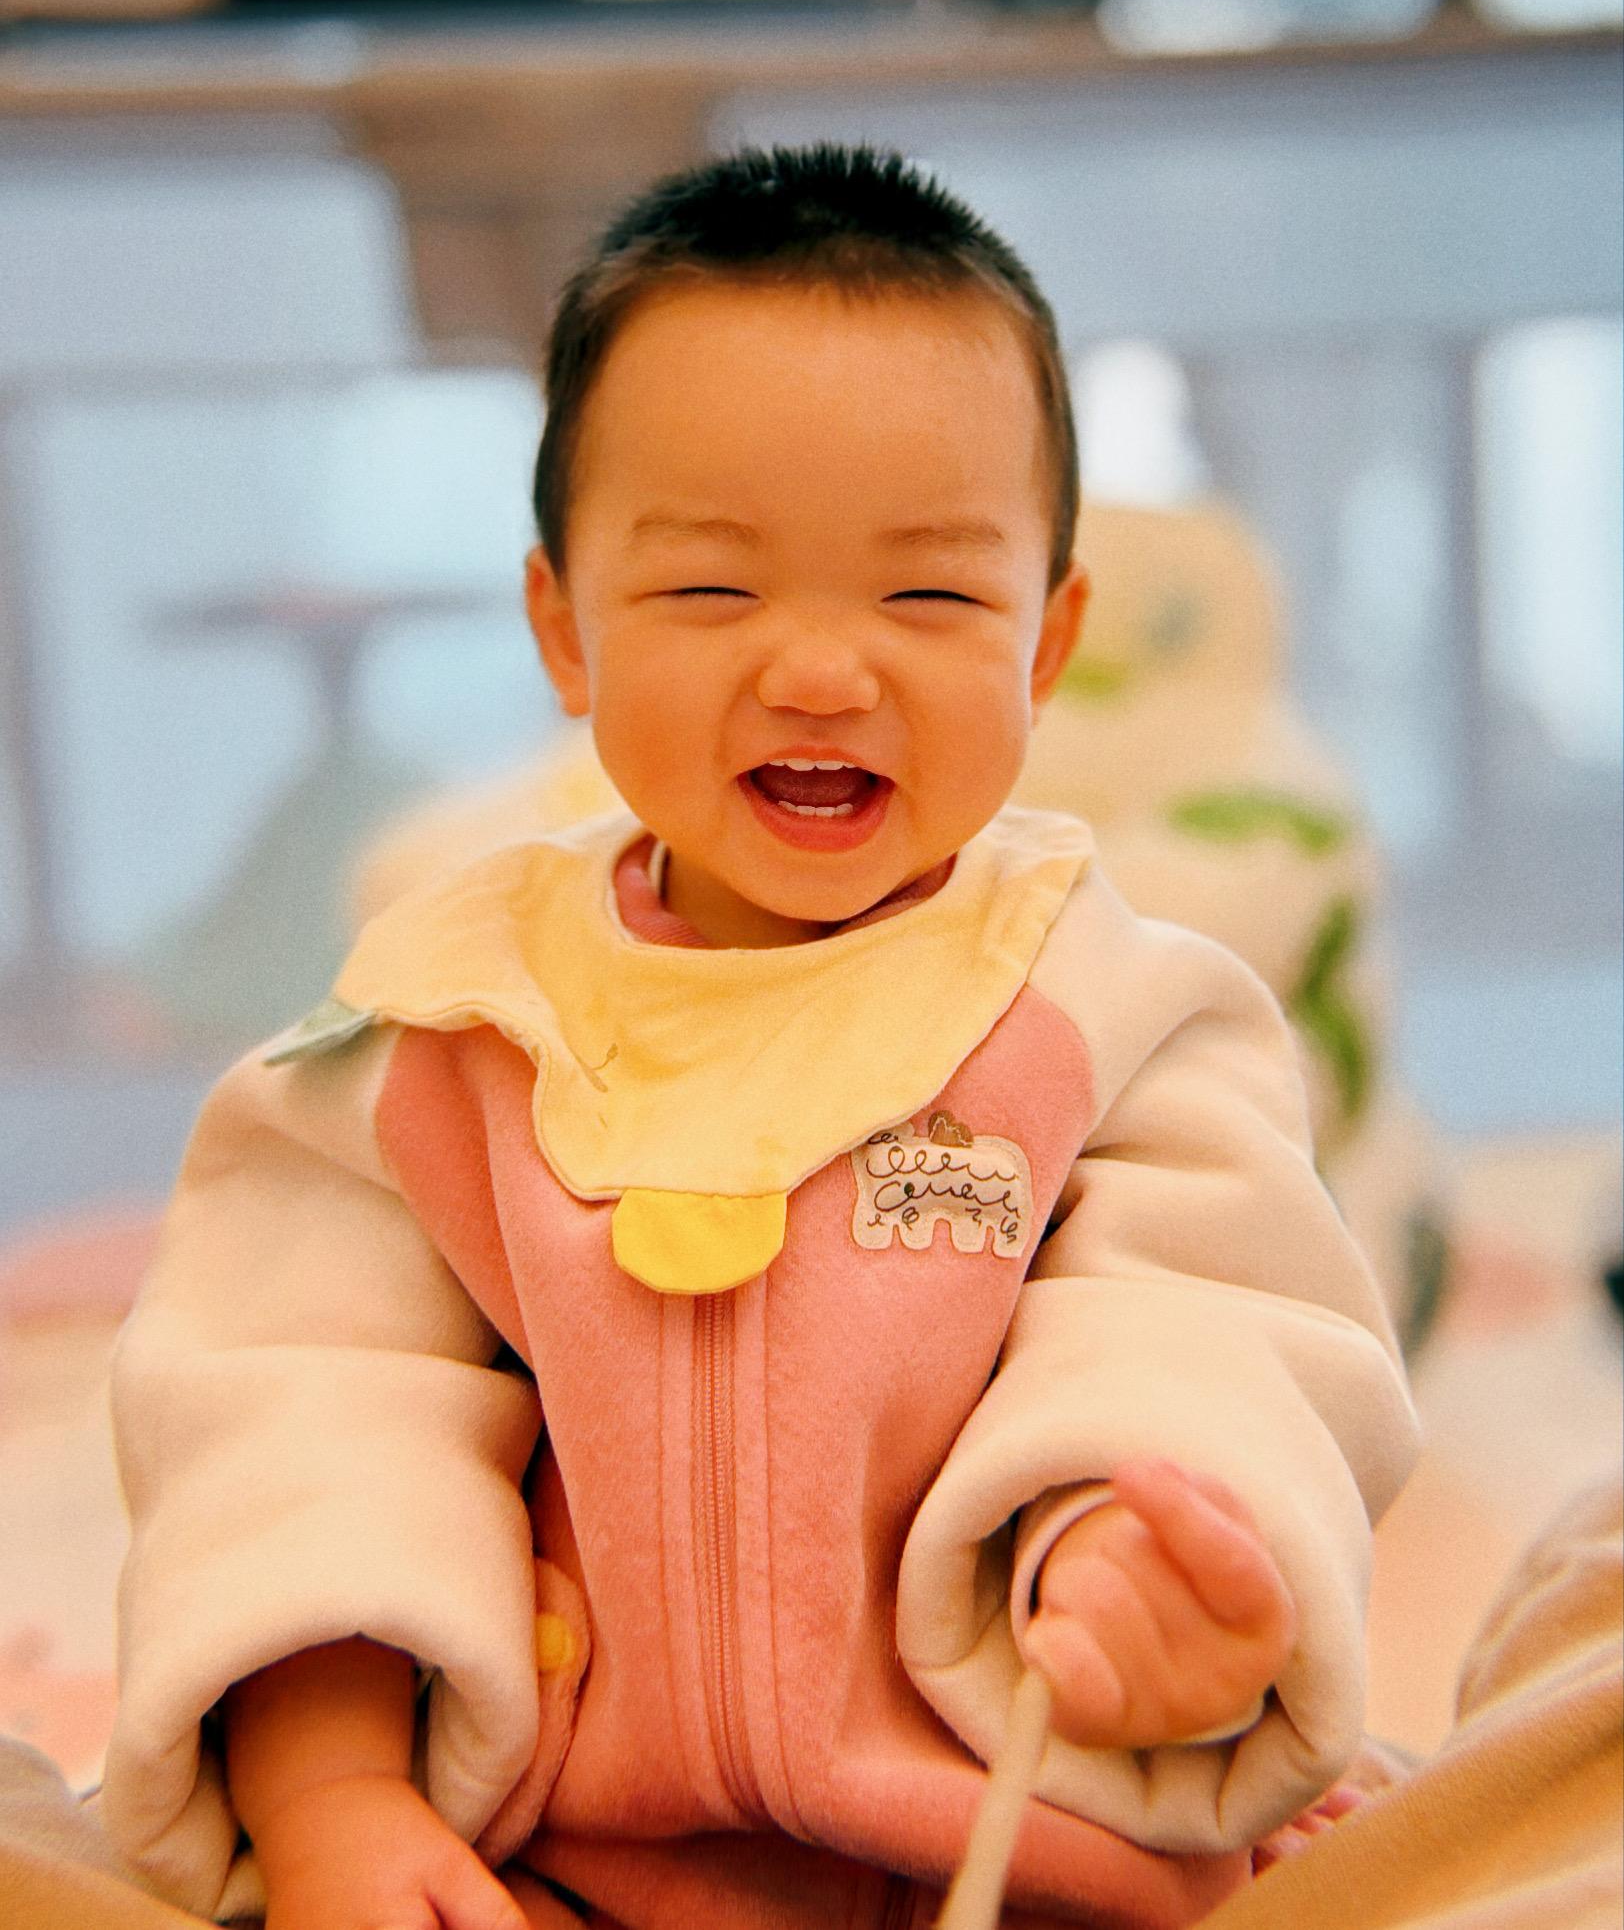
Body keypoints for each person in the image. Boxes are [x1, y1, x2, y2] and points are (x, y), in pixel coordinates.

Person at [102, 146, 1418, 1930]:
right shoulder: (457, 1031)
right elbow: (300, 1415)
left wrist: (1149, 1566)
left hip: (1030, 1832)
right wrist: (331, 1796)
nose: (820, 670)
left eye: (932, 598)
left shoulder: (1107, 1014)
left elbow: (1216, 1326)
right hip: (565, 1853)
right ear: (563, 626)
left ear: (1049, 644)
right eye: (714, 592)